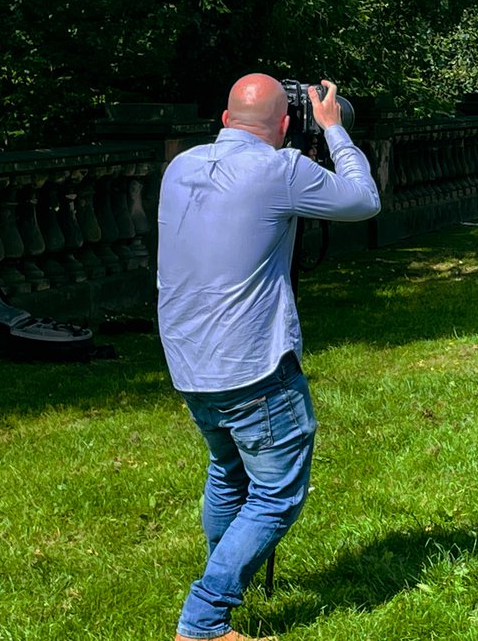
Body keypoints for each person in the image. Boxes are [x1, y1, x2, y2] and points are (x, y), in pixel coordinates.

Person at [157, 74, 380, 641]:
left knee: (228, 472)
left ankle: (225, 574)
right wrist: (332, 130)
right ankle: (204, 619)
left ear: (226, 119)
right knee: (277, 492)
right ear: (285, 125)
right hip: (253, 367)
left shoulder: (179, 167)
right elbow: (362, 200)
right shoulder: (281, 170)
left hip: (189, 363)